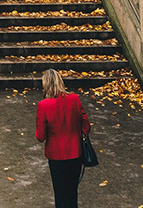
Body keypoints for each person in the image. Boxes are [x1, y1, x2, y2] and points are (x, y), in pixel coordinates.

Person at [36, 69, 91, 208]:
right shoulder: (74, 99)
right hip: (75, 152)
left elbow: (40, 136)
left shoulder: (43, 105)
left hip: (56, 155)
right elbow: (86, 126)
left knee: (60, 193)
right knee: (72, 191)